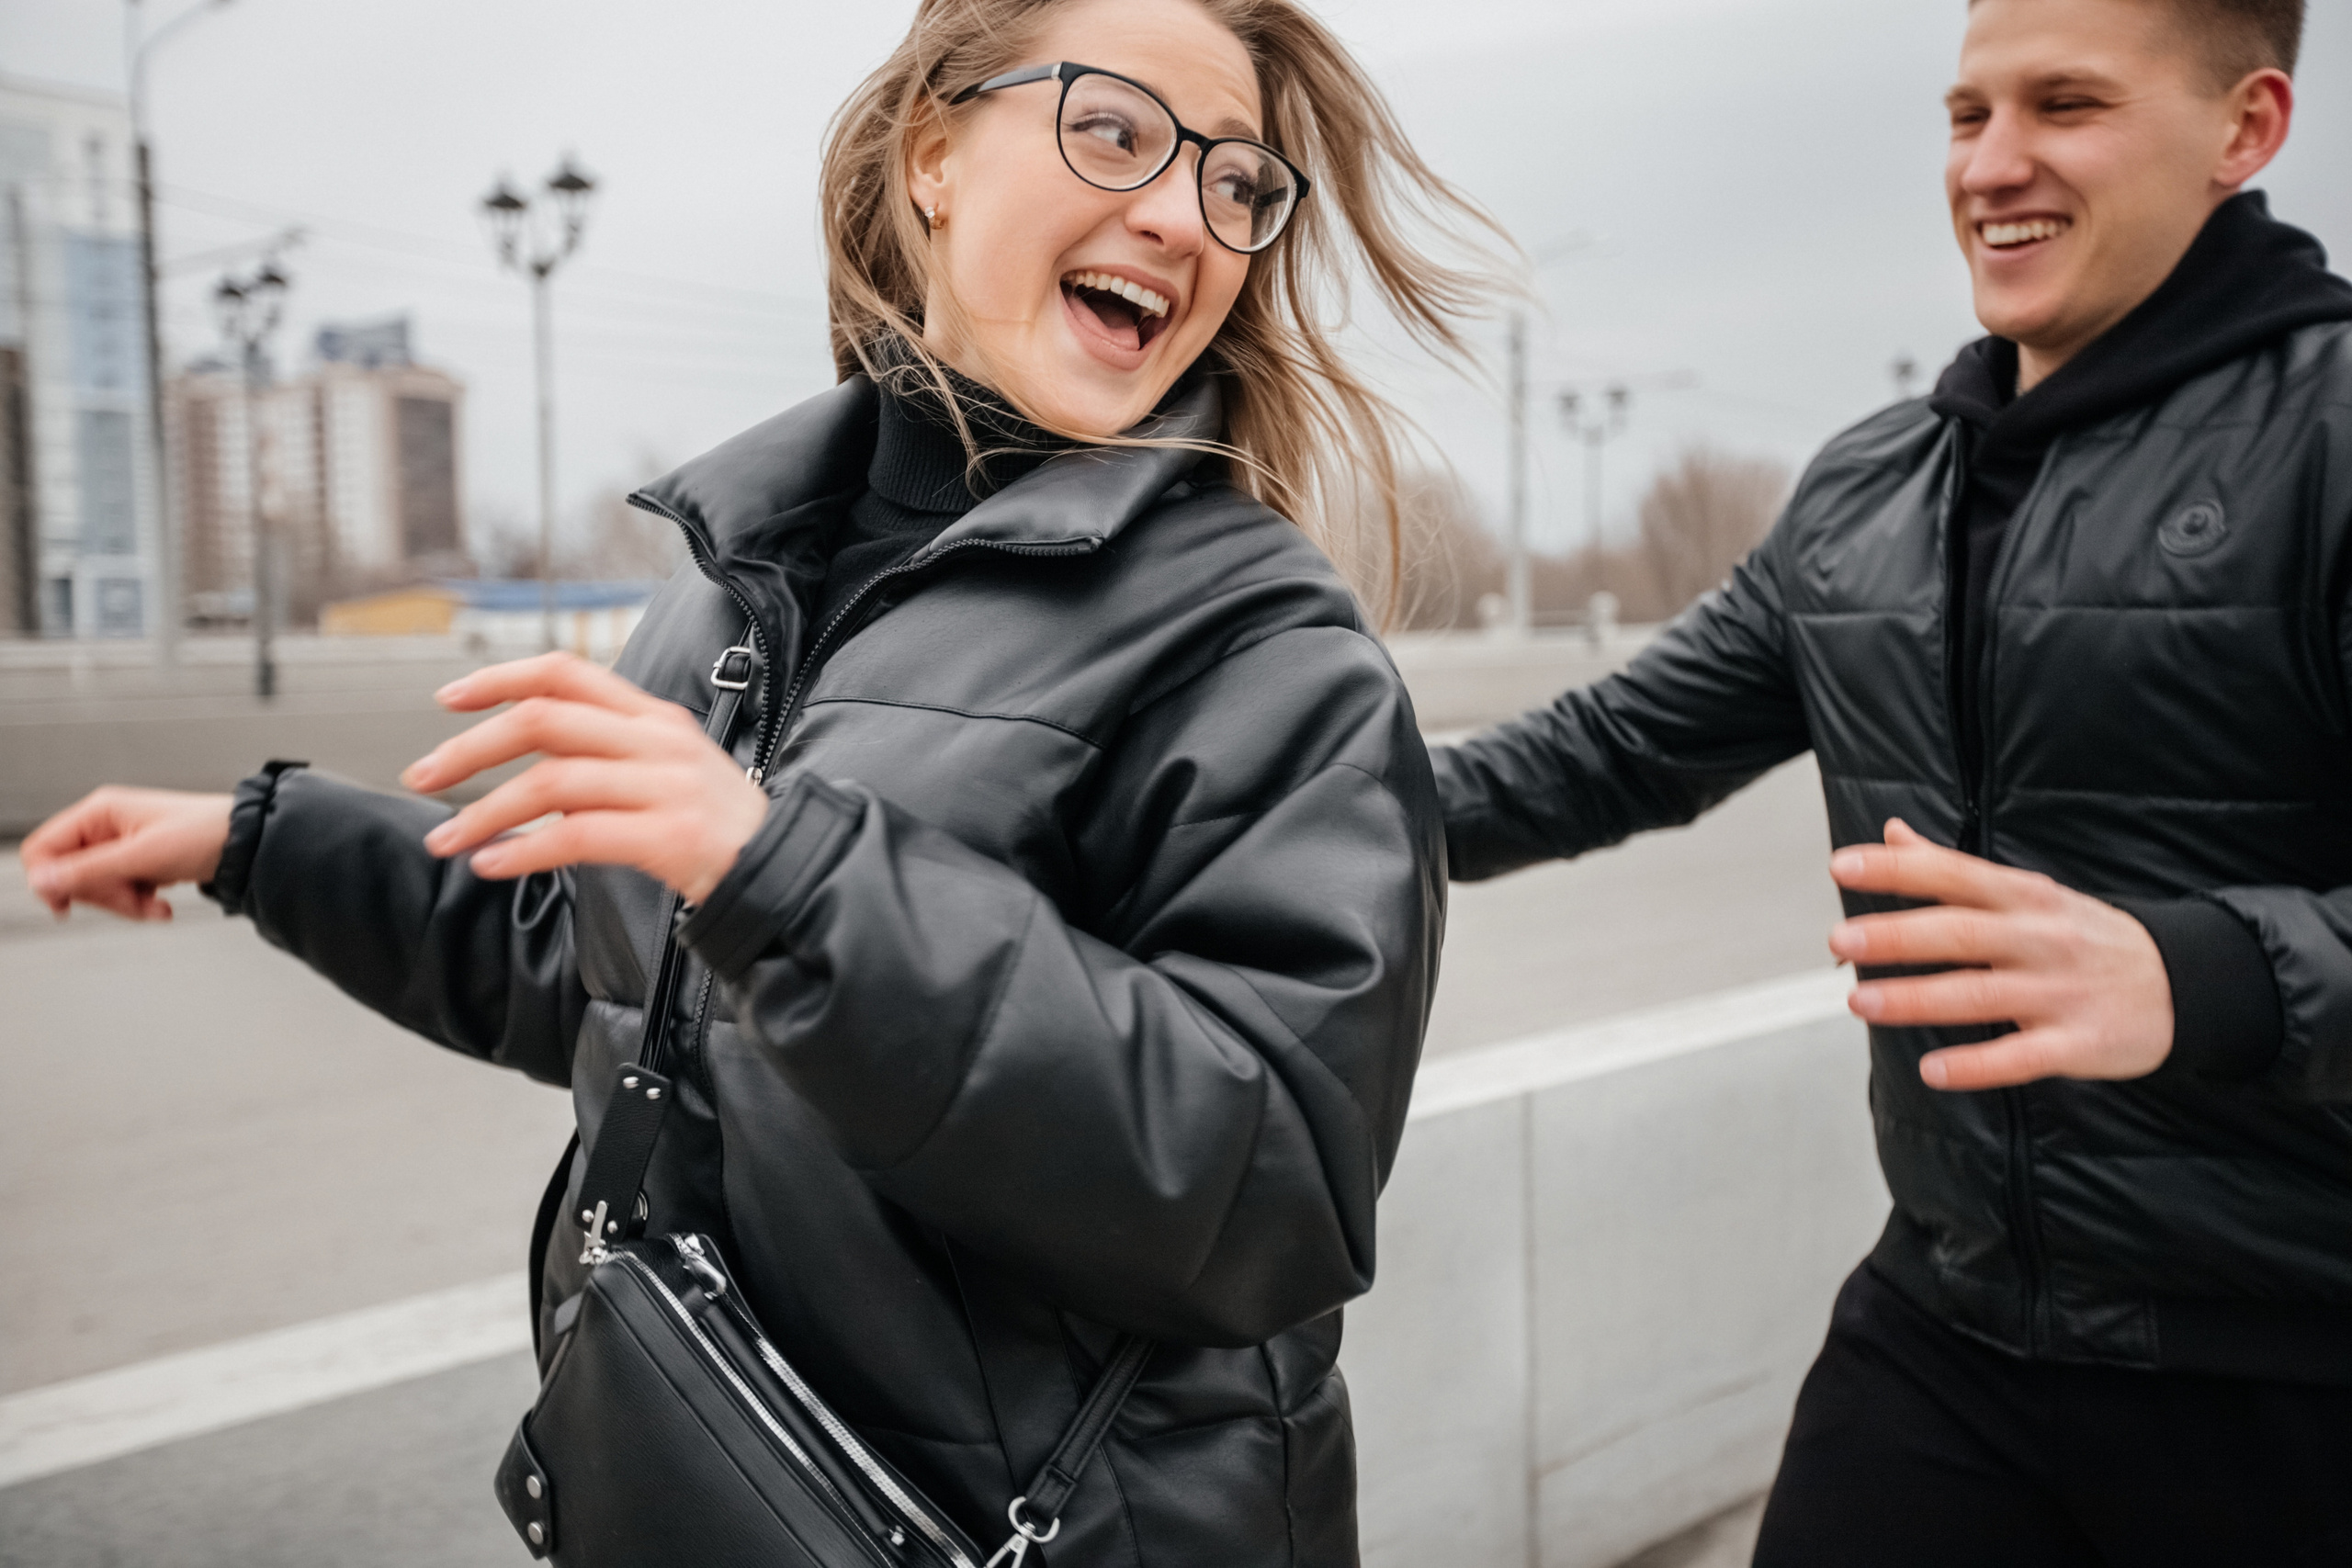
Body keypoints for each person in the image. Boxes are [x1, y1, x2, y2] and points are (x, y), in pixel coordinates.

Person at [21, 0, 1504, 1559]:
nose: (1182, 217)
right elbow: (611, 977)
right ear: (932, 154)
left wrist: (781, 875)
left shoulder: (1264, 650)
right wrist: (260, 841)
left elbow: (1269, 1193)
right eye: (1115, 130)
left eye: (1234, 181)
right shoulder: (742, 581)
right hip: (709, 1497)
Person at [1432, 0, 2352, 1561]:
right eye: (1967, 114)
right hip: (1946, 1332)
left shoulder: (2331, 440)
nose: (1992, 165)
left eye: (2065, 106)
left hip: (2294, 1364)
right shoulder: (1867, 490)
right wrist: (1254, 793)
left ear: (2244, 128)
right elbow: (1599, 758)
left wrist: (2204, 974)